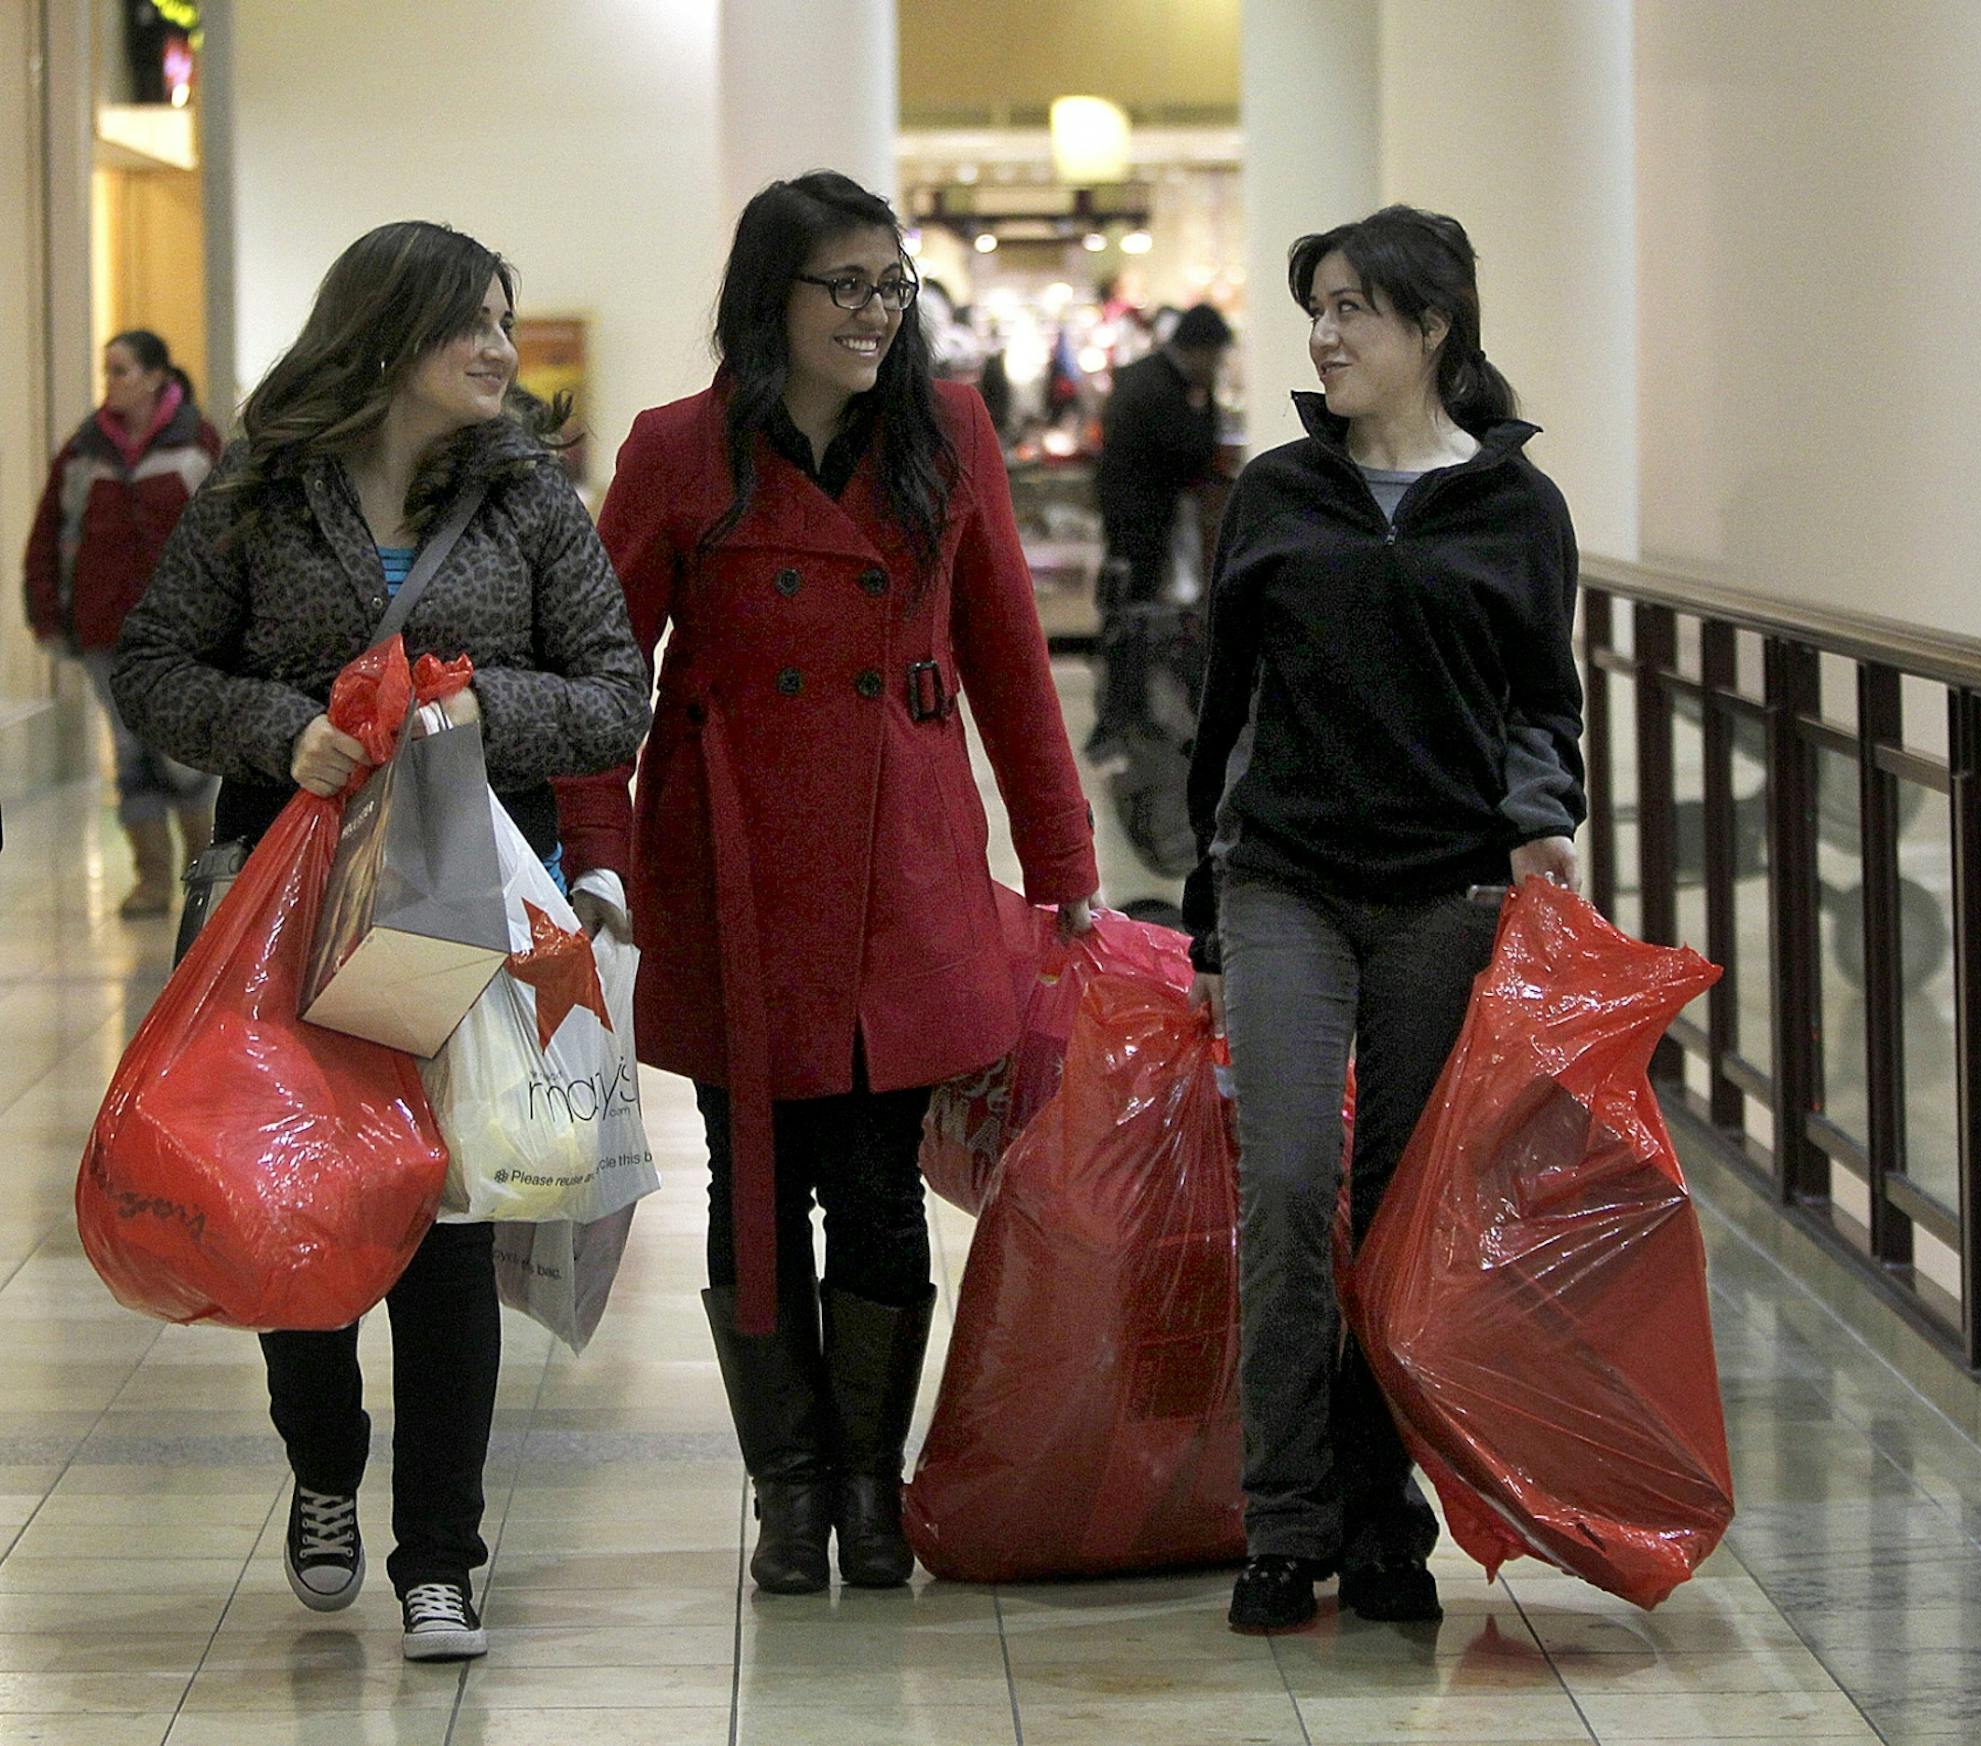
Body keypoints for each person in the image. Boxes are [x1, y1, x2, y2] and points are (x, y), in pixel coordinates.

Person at [110, 221, 650, 1661]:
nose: (497, 346)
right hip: (279, 902)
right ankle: (322, 1455)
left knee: (445, 1221)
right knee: (299, 1193)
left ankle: (441, 1557)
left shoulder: (531, 497)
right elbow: (153, 665)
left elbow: (616, 694)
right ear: (384, 336)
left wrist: (493, 715)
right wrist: (273, 732)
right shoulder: (259, 493)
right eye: (468, 321)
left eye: (502, 316)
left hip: (461, 902)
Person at [554, 170, 1098, 1597]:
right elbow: (608, 680)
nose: (873, 314)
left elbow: (1009, 662)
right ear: (770, 302)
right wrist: (600, 857)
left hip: (900, 859)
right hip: (730, 858)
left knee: (874, 1182)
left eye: (889, 286)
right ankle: (786, 1489)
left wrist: (1066, 866)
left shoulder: (950, 430)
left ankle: (868, 1484)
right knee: (753, 1173)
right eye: (844, 286)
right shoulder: (678, 448)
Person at [1183, 206, 1585, 1632]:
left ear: (1433, 330)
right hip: (1286, 878)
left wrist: (1544, 825)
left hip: (1445, 895)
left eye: (1355, 307)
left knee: (1406, 1219)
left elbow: (1544, 694)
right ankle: (1285, 1522)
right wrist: (1208, 919)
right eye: (1319, 306)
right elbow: (1223, 710)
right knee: (1290, 1187)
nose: (1326, 333)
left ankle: (1381, 1514)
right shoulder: (1280, 492)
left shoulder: (1517, 506)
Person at [22, 329, 222, 915]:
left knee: (185, 757)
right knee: (131, 752)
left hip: (186, 633)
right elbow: (49, 534)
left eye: (123, 370)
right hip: (105, 631)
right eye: (106, 371)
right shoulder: (84, 451)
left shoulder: (197, 443)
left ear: (159, 376)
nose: (111, 382)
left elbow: (228, 536)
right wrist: (46, 614)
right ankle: (152, 881)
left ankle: (205, 881)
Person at [1088, 303, 1231, 759]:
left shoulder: (1143, 378)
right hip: (1142, 523)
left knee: (1127, 616)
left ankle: (1124, 715)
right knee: (1134, 618)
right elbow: (1195, 451)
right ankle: (1123, 718)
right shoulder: (1162, 390)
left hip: (1129, 521)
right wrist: (1207, 400)